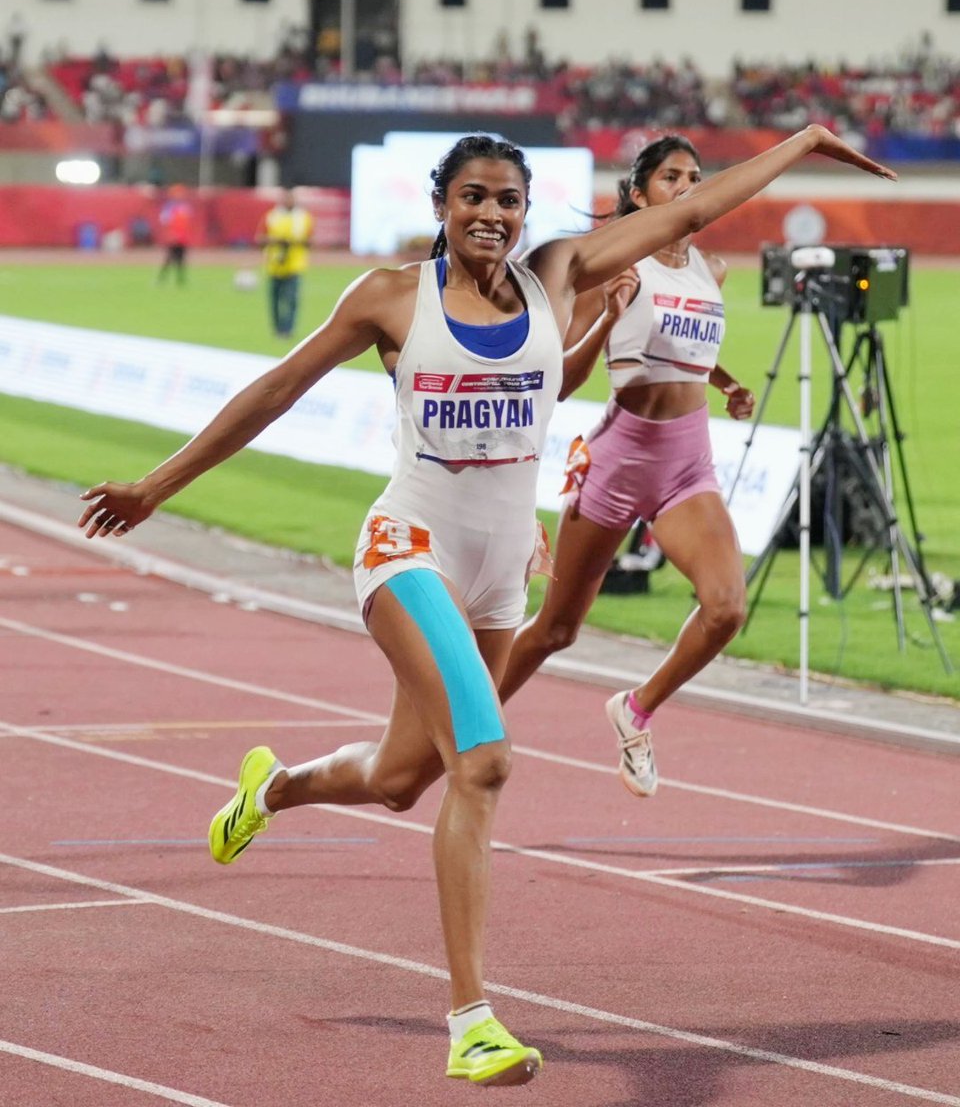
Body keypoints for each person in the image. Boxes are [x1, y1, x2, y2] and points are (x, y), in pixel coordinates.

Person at [77, 128, 893, 1089]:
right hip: (408, 550)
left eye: (508, 200)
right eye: (473, 197)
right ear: (441, 206)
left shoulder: (560, 276)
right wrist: (155, 487)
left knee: (400, 779)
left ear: (526, 211)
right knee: (487, 761)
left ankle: (273, 789)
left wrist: (805, 141)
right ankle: (471, 1020)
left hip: (501, 573)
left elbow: (700, 208)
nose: (491, 215)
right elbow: (276, 390)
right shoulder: (391, 296)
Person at [498, 134, 768, 798]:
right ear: (639, 194)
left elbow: (685, 342)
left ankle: (637, 709)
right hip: (619, 458)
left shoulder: (711, 269)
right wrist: (606, 317)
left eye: (695, 176)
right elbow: (562, 374)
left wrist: (726, 383)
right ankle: (465, 723)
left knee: (726, 608)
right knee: (557, 629)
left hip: (688, 463)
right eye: (671, 176)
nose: (687, 187)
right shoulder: (615, 264)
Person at [255, 188, 314, 337]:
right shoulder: (272, 216)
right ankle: (277, 328)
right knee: (275, 299)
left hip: (295, 264)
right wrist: (276, 241)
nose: (288, 201)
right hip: (274, 264)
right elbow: (260, 238)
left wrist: (295, 242)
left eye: (291, 198)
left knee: (292, 299)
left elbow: (310, 240)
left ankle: (288, 329)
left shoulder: (303, 217)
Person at [156, 184, 194, 287]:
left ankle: (180, 279)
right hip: (173, 236)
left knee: (181, 258)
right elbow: (164, 221)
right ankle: (162, 278)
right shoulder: (169, 207)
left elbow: (188, 222)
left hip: (183, 237)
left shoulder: (185, 206)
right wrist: (170, 234)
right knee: (169, 257)